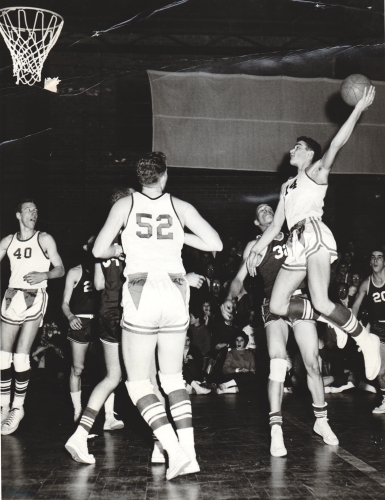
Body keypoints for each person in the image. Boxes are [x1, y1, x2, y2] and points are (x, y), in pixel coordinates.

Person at [87, 152, 222, 480]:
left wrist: (121, 247)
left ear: (140, 178)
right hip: (176, 289)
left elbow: (97, 251)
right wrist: (178, 235)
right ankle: (188, 451)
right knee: (173, 378)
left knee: (137, 383)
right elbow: (214, 242)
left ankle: (174, 451)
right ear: (164, 176)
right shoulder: (180, 206)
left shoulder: (125, 205)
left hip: (141, 289)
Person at [247, 87, 380, 383]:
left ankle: (364, 338)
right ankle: (333, 322)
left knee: (320, 299)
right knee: (278, 305)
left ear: (309, 154)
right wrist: (258, 248)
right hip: (295, 241)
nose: (291, 150)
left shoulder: (317, 173)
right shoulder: (286, 186)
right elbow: (274, 226)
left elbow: (336, 143)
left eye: (298, 147)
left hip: (314, 233)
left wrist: (357, 110)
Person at [223, 204, 338, 457]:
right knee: (277, 362)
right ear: (257, 223)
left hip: (299, 299)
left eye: (269, 207)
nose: (267, 209)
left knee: (312, 363)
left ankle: (321, 420)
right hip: (273, 303)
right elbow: (238, 280)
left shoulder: (294, 234)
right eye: (261, 210)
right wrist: (229, 297)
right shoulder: (255, 246)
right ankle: (276, 428)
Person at [0, 199, 65, 435]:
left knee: (21, 355)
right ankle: (3, 405)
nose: (33, 213)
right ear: (18, 215)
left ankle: (18, 408)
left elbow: (60, 268)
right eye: (29, 210)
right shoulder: (8, 240)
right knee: (2, 355)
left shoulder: (44, 238)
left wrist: (44, 274)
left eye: (36, 210)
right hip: (11, 295)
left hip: (35, 295)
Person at [62, 236, 122, 427]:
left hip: (101, 321)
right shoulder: (75, 272)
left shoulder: (108, 266)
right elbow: (64, 304)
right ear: (86, 248)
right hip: (80, 322)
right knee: (77, 369)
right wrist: (71, 317)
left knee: (109, 371)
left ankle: (109, 416)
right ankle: (77, 411)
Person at [352, 250, 385, 414]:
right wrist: (351, 327)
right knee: (380, 369)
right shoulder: (366, 283)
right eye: (373, 257)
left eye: (380, 257)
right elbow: (356, 307)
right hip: (379, 328)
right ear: (370, 263)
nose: (376, 260)